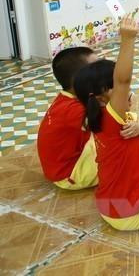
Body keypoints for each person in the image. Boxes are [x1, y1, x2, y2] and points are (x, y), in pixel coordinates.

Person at [73, 16, 139, 232]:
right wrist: (128, 39)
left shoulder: (105, 118)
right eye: (114, 89)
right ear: (101, 97)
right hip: (132, 212)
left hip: (114, 206)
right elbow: (123, 80)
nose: (125, 92)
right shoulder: (110, 118)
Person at [37, 46, 100, 190]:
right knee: (123, 147)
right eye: (96, 70)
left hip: (65, 167)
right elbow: (112, 121)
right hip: (69, 176)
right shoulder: (71, 109)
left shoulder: (68, 98)